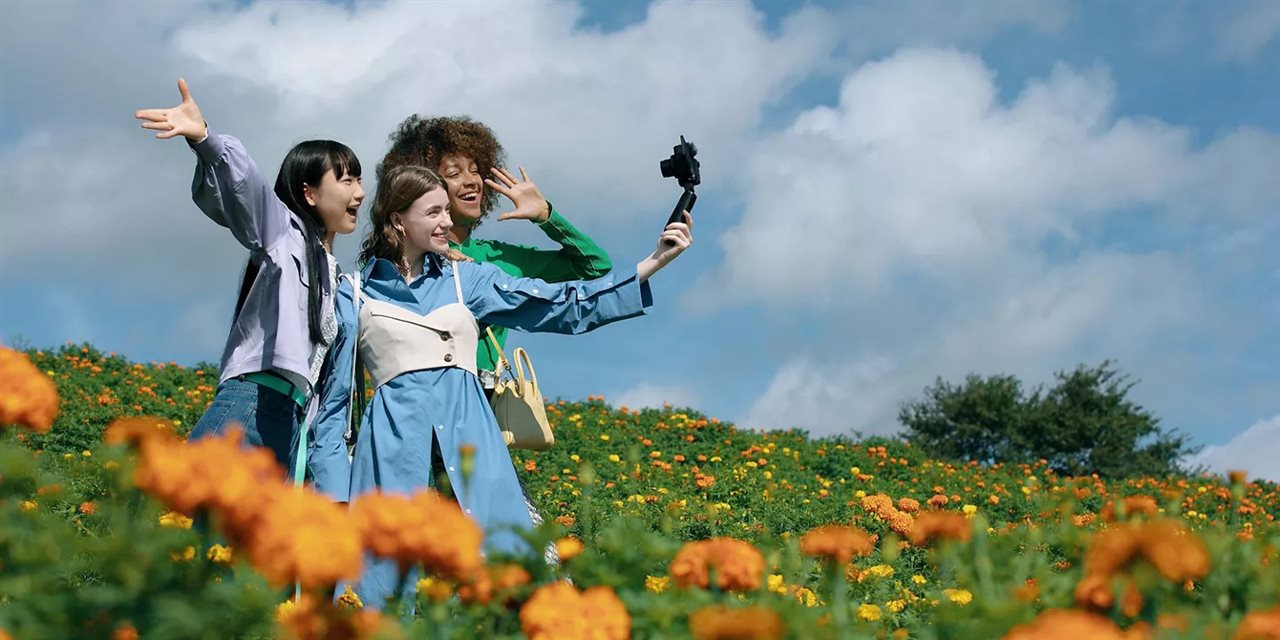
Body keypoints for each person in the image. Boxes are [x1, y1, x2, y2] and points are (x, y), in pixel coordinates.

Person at [308, 165, 691, 610]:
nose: (447, 223)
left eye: (446, 212)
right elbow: (334, 406)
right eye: (433, 212)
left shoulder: (466, 279)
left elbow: (560, 305)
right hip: (388, 456)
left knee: (514, 578)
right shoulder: (352, 293)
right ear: (398, 220)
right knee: (382, 595)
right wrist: (334, 498)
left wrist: (653, 263)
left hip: (474, 448)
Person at [377, 115, 614, 545]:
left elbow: (595, 267)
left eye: (476, 170)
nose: (472, 182)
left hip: (477, 423)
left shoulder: (496, 258)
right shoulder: (399, 267)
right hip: (414, 423)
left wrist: (547, 216)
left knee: (514, 552)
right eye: (453, 174)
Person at [135, 79, 364, 476]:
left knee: (247, 537)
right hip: (252, 404)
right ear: (309, 194)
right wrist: (205, 139)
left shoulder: (338, 278)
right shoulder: (284, 234)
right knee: (209, 531)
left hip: (291, 420)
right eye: (347, 180)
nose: (359, 193)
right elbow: (248, 187)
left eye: (359, 180)